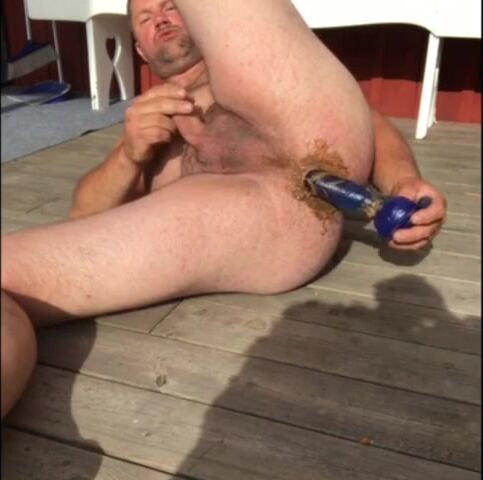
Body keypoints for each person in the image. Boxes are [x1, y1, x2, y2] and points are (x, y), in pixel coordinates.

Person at [1, 0, 446, 417]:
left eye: (170, 6)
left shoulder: (250, 66)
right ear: (140, 50)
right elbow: (85, 214)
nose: (161, 19)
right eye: (145, 18)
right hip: (259, 220)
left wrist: (403, 180)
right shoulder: (149, 122)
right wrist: (129, 154)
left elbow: (365, 121)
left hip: (300, 117)